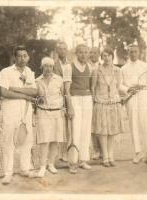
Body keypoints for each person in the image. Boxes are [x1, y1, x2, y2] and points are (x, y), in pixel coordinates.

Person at [0, 45, 37, 184]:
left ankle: (25, 169)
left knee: (26, 139)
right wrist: (25, 96)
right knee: (8, 141)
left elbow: (34, 92)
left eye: (25, 56)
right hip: (10, 110)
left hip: (26, 111)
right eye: (19, 56)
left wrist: (15, 89)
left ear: (28, 57)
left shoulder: (30, 72)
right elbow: (4, 92)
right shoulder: (6, 71)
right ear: (15, 57)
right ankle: (8, 173)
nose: (22, 58)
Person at [119, 43, 147, 166]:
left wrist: (144, 92)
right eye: (131, 51)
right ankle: (137, 153)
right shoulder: (123, 68)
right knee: (133, 125)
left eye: (135, 51)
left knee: (146, 124)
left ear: (139, 52)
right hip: (131, 98)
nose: (133, 53)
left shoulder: (146, 66)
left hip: (143, 98)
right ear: (128, 53)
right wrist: (129, 89)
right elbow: (120, 85)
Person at [31, 57, 66, 177]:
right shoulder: (36, 81)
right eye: (46, 66)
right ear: (42, 67)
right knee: (44, 140)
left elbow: (64, 95)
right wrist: (37, 100)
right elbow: (34, 99)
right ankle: (42, 167)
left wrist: (65, 109)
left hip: (57, 113)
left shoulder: (59, 80)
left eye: (50, 66)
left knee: (55, 140)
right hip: (43, 113)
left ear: (53, 67)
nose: (48, 68)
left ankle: (51, 164)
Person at [91, 47, 125, 167]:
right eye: (104, 56)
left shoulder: (117, 70)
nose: (106, 58)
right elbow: (93, 88)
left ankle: (111, 156)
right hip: (101, 104)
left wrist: (123, 95)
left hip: (113, 104)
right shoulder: (97, 70)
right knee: (102, 132)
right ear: (102, 57)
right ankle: (105, 157)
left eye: (108, 55)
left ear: (112, 56)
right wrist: (95, 101)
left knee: (112, 132)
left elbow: (119, 87)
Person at [64, 44, 93, 174]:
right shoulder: (68, 67)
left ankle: (83, 160)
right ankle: (72, 162)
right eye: (81, 52)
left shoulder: (90, 67)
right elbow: (66, 90)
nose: (84, 55)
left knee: (86, 130)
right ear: (76, 53)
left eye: (86, 52)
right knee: (74, 131)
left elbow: (91, 86)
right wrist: (69, 106)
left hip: (87, 100)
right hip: (74, 100)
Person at [53, 41, 71, 162]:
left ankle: (69, 152)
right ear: (56, 51)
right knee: (60, 127)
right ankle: (60, 153)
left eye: (65, 49)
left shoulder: (72, 64)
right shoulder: (52, 65)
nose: (63, 51)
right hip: (58, 99)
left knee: (70, 127)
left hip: (70, 98)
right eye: (60, 49)